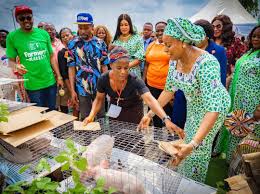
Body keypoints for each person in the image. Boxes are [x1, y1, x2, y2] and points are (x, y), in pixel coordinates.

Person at [139, 18, 230, 183]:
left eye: (168, 45)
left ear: (183, 43)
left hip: (214, 108)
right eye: (164, 45)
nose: (165, 50)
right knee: (188, 137)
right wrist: (150, 114)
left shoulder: (207, 64)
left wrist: (194, 144)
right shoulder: (175, 61)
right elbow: (168, 90)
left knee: (197, 148)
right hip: (194, 103)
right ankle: (184, 175)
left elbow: (213, 108)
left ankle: (193, 183)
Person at [83, 46, 183, 136]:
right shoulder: (103, 79)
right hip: (115, 110)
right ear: (111, 65)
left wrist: (165, 119)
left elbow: (150, 99)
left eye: (126, 68)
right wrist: (91, 115)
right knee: (116, 137)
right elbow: (99, 99)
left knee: (134, 138)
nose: (123, 72)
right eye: (119, 68)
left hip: (134, 111)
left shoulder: (134, 80)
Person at [215, 25, 260, 162]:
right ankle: (231, 162)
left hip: (252, 104)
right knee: (235, 130)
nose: (256, 39)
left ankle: (243, 167)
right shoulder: (249, 53)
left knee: (247, 136)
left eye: (259, 36)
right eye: (254, 36)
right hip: (238, 100)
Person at [6, 5, 63, 110]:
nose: (26, 20)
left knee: (53, 111)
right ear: (17, 20)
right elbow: (10, 61)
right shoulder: (12, 37)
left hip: (50, 82)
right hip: (32, 85)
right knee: (39, 114)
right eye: (22, 18)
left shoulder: (43, 33)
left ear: (32, 17)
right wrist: (17, 66)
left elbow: (51, 57)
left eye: (29, 17)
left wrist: (59, 76)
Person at [68, 13, 109, 120]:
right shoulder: (73, 44)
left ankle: (102, 137)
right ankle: (89, 137)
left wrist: (107, 86)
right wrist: (72, 90)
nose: (82, 30)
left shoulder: (101, 43)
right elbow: (71, 68)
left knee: (100, 116)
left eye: (86, 27)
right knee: (85, 116)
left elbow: (104, 67)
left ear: (92, 27)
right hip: (82, 87)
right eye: (80, 27)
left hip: (99, 87)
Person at [143, 21, 172, 128]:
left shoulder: (171, 46)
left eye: (162, 30)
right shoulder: (151, 45)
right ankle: (157, 140)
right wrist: (144, 81)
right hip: (151, 85)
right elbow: (146, 64)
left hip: (167, 87)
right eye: (158, 30)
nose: (160, 33)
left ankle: (169, 140)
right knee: (154, 114)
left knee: (168, 113)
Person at [211, 15, 247, 85]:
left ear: (225, 27)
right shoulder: (210, 41)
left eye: (218, 26)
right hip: (211, 81)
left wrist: (230, 78)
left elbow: (242, 63)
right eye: (213, 26)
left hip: (229, 82)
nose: (215, 29)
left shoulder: (236, 43)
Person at [112, 14, 144, 79]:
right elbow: (112, 57)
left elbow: (140, 57)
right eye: (121, 25)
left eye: (126, 25)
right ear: (118, 26)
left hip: (133, 73)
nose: (124, 27)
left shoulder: (137, 38)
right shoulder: (115, 40)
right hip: (118, 73)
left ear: (130, 25)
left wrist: (125, 67)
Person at [57, 27, 74, 114]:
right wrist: (71, 90)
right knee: (73, 106)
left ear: (73, 35)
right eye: (63, 37)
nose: (66, 38)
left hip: (80, 83)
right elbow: (64, 73)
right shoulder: (62, 53)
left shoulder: (78, 49)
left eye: (67, 35)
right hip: (68, 84)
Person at [0, 29, 16, 100]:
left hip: (19, 80)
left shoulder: (16, 48)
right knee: (10, 102)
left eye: (4, 37)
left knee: (25, 100)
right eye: (0, 37)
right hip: (6, 81)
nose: (1, 39)